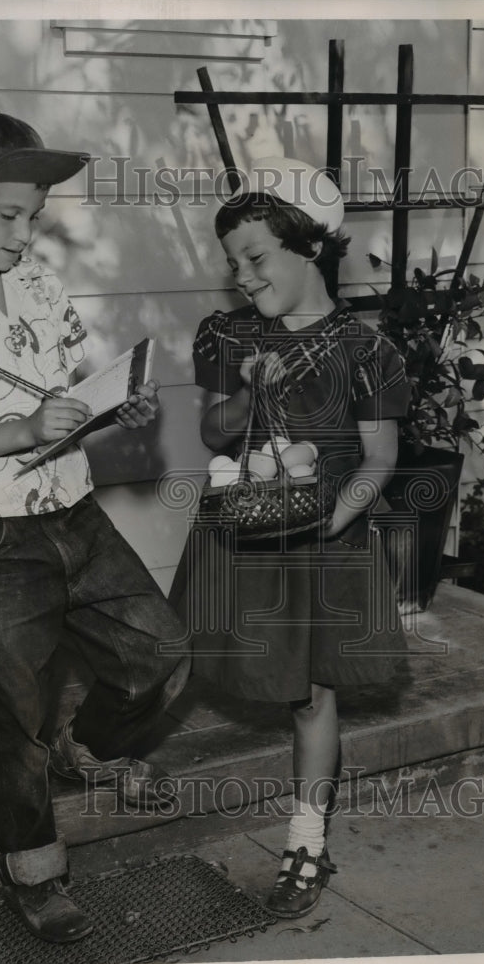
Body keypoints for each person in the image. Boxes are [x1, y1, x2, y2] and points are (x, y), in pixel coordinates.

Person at [0, 109, 189, 943]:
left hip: (73, 511)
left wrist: (113, 405)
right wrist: (24, 428)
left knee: (160, 651)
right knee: (15, 711)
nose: (24, 235)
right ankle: (32, 870)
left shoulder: (40, 286)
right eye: (10, 216)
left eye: (35, 216)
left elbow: (67, 395)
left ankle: (82, 746)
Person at [169, 156, 410, 919]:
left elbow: (380, 458)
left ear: (309, 248)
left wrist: (331, 521)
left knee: (310, 694)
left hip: (324, 535)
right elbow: (214, 432)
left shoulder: (367, 352)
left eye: (255, 258)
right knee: (183, 656)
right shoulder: (232, 336)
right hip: (243, 530)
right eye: (233, 264)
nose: (242, 277)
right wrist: (247, 397)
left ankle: (306, 843)